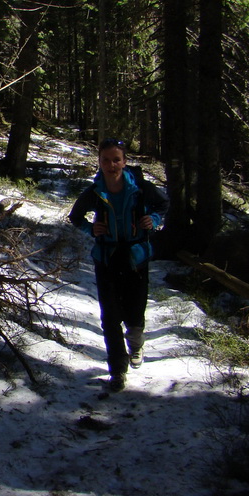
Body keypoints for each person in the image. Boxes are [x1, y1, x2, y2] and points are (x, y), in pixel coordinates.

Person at [68, 138, 169, 392]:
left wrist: (153, 219)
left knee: (134, 313)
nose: (111, 165)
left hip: (136, 256)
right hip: (107, 257)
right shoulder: (95, 192)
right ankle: (117, 370)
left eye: (116, 159)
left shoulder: (141, 187)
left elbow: (163, 203)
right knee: (110, 317)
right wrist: (92, 229)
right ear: (99, 163)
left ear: (124, 162)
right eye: (106, 160)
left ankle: (135, 345)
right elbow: (75, 217)